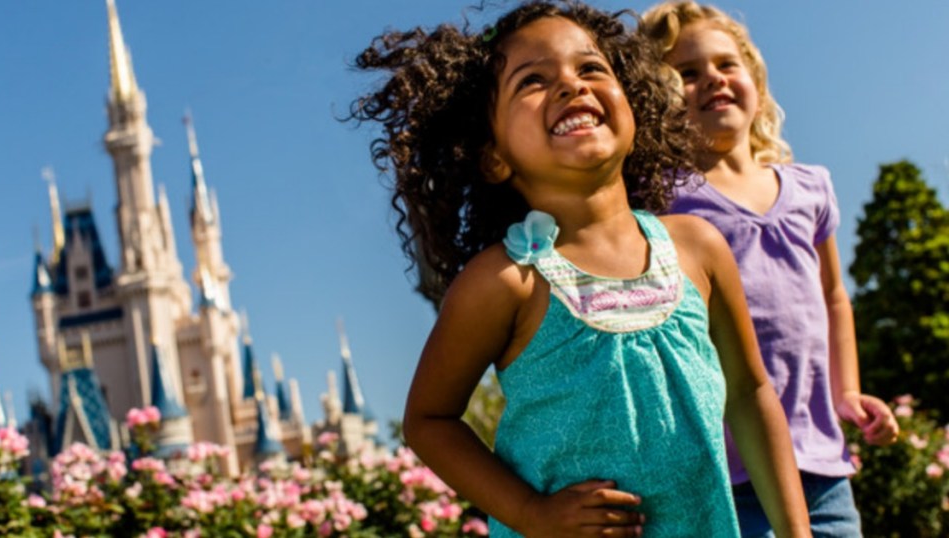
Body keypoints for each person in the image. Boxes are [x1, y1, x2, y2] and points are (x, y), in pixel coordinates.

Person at [352, 1, 810, 536]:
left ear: (635, 105)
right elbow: (429, 421)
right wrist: (530, 513)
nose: (572, 85)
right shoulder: (505, 280)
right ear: (493, 156)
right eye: (532, 81)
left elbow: (750, 393)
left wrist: (796, 532)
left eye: (591, 68)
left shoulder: (699, 247)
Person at [640, 3, 900, 536]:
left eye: (726, 64)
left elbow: (833, 296)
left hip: (821, 467)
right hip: (726, 471)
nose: (713, 78)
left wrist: (847, 393)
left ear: (755, 81)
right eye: (687, 72)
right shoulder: (662, 199)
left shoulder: (810, 187)